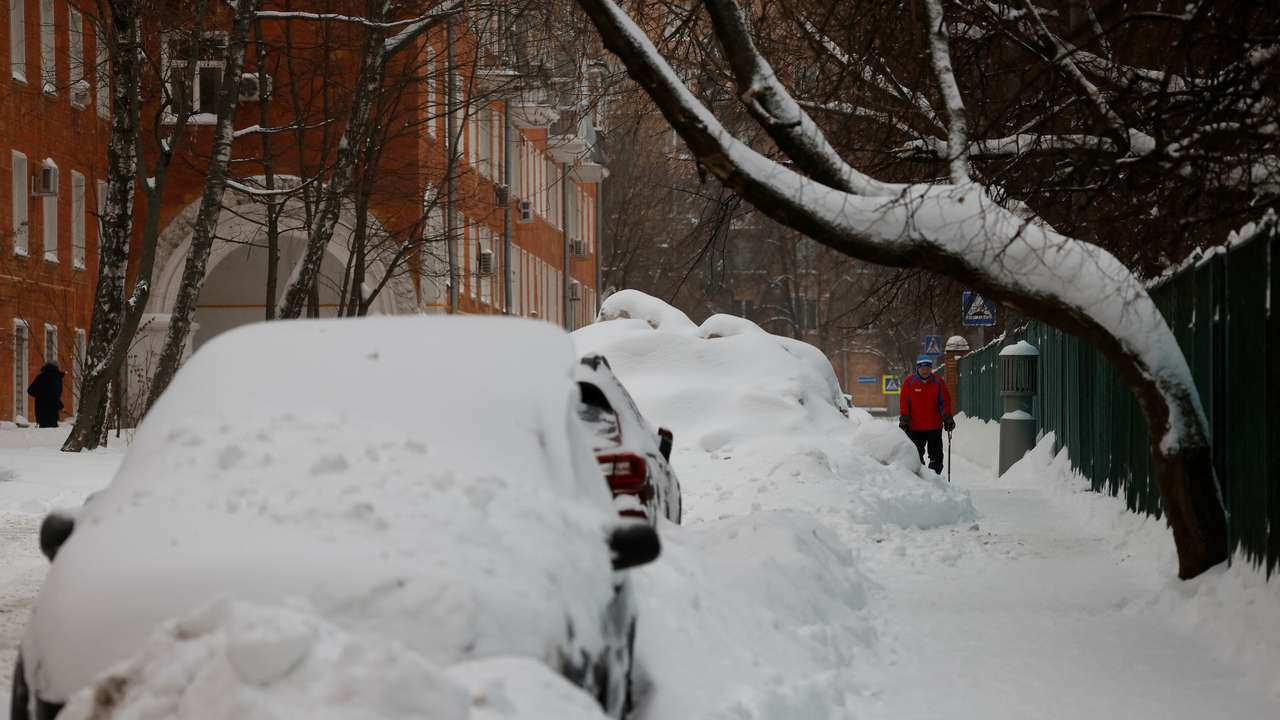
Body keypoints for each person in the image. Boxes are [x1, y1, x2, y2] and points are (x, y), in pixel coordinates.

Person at [898, 355, 955, 475]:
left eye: (928, 367)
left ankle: (934, 479)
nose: (925, 370)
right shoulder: (909, 382)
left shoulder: (938, 382)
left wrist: (947, 418)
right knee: (915, 456)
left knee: (937, 456)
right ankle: (919, 480)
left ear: (931, 368)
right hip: (915, 427)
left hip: (934, 426)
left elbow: (944, 402)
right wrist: (904, 418)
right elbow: (904, 402)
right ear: (917, 368)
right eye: (922, 367)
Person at [27, 362, 65, 429]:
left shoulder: (40, 377)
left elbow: (30, 390)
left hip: (41, 409)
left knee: (44, 430)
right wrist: (59, 404)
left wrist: (41, 395)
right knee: (52, 431)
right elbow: (54, 394)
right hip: (52, 409)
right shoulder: (57, 378)